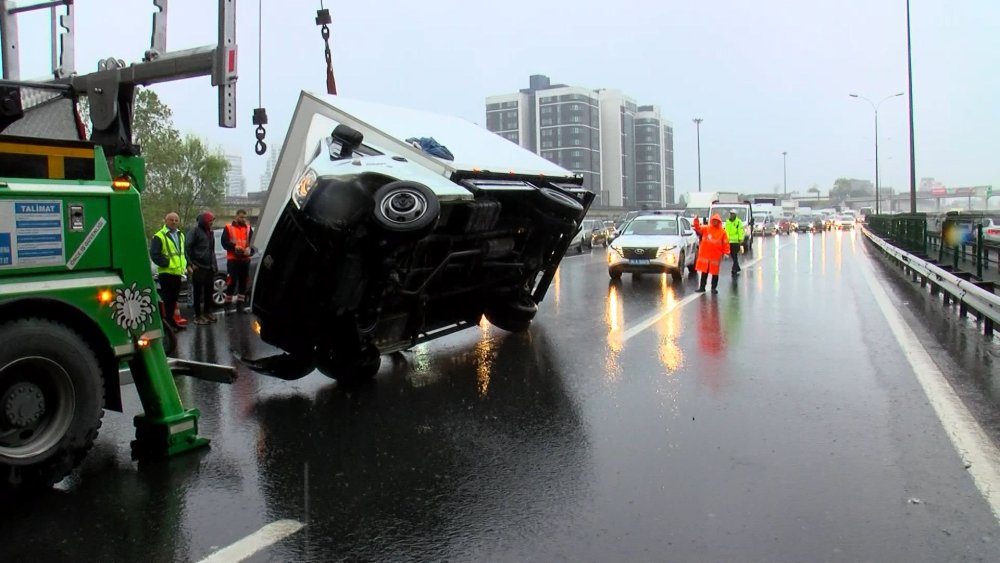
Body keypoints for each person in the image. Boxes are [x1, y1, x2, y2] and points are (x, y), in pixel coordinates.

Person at [150, 212, 189, 330]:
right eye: (171, 220)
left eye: (176, 220)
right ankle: (167, 325)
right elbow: (155, 254)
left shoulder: (180, 235)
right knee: (167, 300)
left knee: (173, 300)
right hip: (166, 273)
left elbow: (182, 252)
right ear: (166, 221)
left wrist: (187, 265)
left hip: (177, 272)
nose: (174, 222)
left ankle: (171, 321)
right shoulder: (159, 236)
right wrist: (166, 263)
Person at [185, 211, 218, 325]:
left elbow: (211, 250)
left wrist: (214, 265)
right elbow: (187, 248)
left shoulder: (210, 232)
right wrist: (190, 263)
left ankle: (207, 312)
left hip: (209, 267)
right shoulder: (194, 231)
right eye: (210, 221)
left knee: (209, 291)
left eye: (212, 221)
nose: (211, 223)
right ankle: (198, 315)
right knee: (198, 293)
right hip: (198, 267)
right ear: (204, 221)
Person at [221, 209, 254, 312]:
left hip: (245, 259)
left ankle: (240, 305)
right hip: (233, 259)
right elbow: (224, 242)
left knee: (243, 283)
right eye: (240, 217)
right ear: (236, 217)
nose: (242, 219)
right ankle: (227, 306)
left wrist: (250, 251)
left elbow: (253, 243)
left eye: (244, 217)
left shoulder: (248, 229)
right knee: (232, 282)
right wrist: (234, 247)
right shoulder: (228, 228)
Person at [692, 213, 730, 293]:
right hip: (705, 255)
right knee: (704, 272)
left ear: (719, 222)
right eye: (714, 221)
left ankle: (713, 288)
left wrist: (726, 252)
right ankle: (702, 287)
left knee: (715, 273)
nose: (715, 222)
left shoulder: (722, 232)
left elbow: (725, 243)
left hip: (715, 256)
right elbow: (698, 228)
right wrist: (696, 220)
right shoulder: (706, 229)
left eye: (716, 221)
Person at [724, 209, 744, 275]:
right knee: (733, 256)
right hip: (729, 242)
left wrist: (741, 240)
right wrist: (725, 240)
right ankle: (736, 267)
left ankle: (734, 269)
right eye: (730, 214)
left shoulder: (738, 222)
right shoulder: (727, 222)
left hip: (736, 242)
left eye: (732, 214)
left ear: (735, 215)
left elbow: (740, 231)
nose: (731, 215)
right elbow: (726, 231)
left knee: (734, 255)